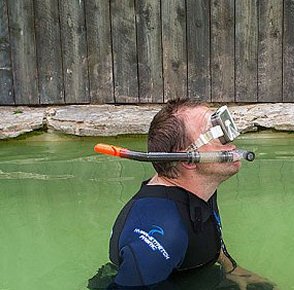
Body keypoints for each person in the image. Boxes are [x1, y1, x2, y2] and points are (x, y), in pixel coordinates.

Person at [91, 98, 273, 289]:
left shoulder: (199, 186)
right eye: (216, 133)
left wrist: (230, 267)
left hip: (193, 273)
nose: (229, 142)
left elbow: (205, 225)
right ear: (189, 160)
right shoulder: (164, 231)